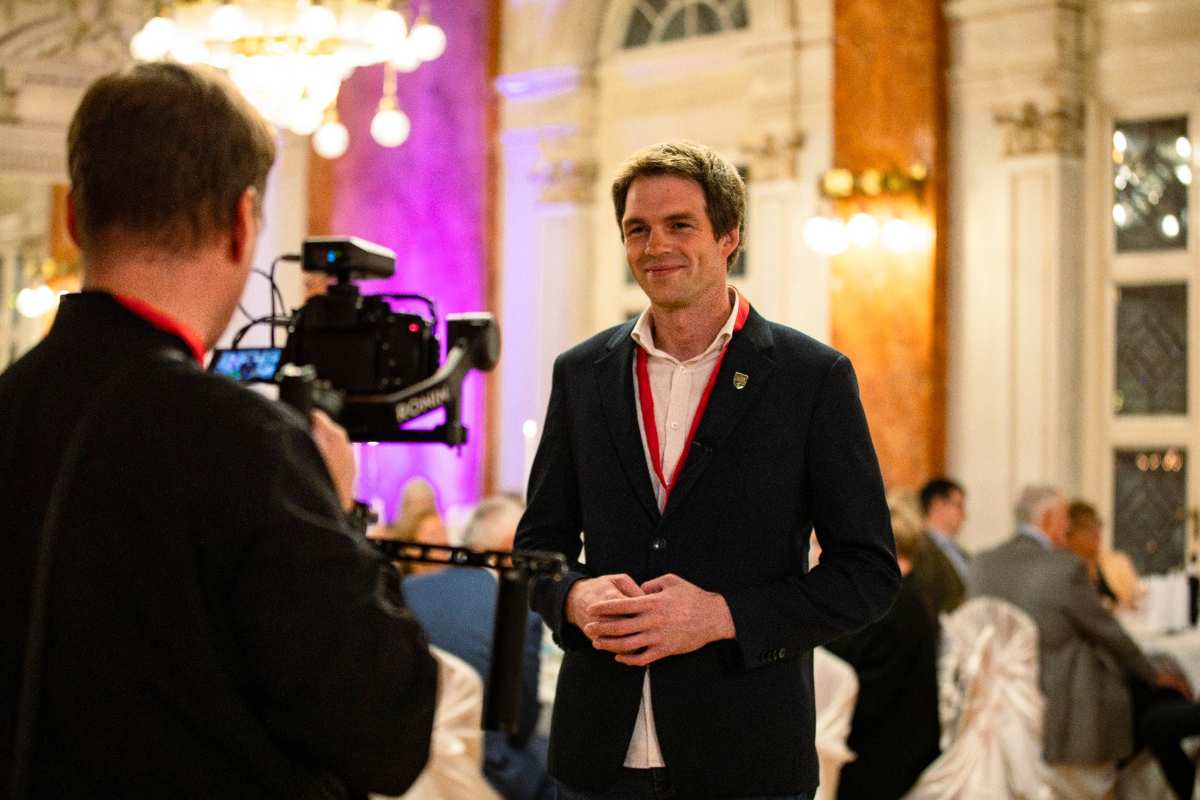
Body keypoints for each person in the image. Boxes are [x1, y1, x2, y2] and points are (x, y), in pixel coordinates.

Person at [0, 63, 437, 797]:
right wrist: (339, 512)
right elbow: (385, 737)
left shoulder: (11, 403)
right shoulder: (246, 442)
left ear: (74, 218)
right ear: (241, 222)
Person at [514, 140, 899, 799]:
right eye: (638, 228)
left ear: (729, 237)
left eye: (679, 225)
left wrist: (722, 615)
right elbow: (536, 550)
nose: (655, 245)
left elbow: (868, 574)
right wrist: (573, 598)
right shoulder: (581, 373)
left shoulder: (811, 378)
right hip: (597, 754)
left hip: (745, 754)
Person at [968, 485, 1189, 799]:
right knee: (1159, 700)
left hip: (996, 706)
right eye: (1064, 519)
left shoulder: (981, 563)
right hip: (1063, 704)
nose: (1068, 527)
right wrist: (1153, 675)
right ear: (1047, 519)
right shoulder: (1064, 567)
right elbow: (1109, 634)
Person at [404, 496, 553, 800]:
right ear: (512, 549)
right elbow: (520, 721)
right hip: (479, 768)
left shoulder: (407, 588)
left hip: (400, 757)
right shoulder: (517, 611)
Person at [825, 490, 940, 799]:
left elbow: (858, 688)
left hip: (885, 755)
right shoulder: (910, 593)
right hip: (907, 738)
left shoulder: (892, 604)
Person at [1064, 500, 1141, 610]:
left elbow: (1138, 600)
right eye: (1086, 527)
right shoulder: (1062, 569)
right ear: (1069, 534)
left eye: (1097, 524)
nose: (1095, 531)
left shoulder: (1118, 562)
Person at [911, 477, 969, 616]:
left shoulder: (961, 553)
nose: (964, 515)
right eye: (959, 506)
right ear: (937, 505)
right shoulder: (919, 549)